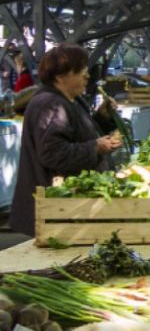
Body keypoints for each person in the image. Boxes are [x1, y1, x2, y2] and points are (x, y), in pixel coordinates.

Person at [9, 44, 123, 236]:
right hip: (56, 211)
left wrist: (102, 117)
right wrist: (95, 147)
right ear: (60, 76)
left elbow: (78, 133)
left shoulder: (69, 100)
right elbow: (53, 154)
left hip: (65, 210)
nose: (87, 75)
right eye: (80, 71)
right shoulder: (51, 105)